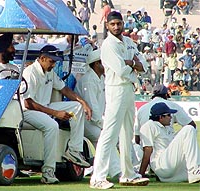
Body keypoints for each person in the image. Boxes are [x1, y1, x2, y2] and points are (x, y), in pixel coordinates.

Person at [89, 11, 149, 189]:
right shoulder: (108, 45)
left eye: (119, 23)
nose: (116, 27)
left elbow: (144, 66)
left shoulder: (129, 42)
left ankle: (128, 174)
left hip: (129, 90)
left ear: (123, 24)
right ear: (107, 25)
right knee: (109, 133)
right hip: (116, 90)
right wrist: (132, 64)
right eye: (112, 24)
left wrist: (131, 63)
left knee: (127, 134)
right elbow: (121, 70)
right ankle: (97, 177)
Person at [20, 45, 92, 184]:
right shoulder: (30, 73)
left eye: (55, 62)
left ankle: (74, 151)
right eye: (51, 61)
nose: (53, 64)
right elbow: (28, 103)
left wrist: (83, 103)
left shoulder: (49, 72)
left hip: (44, 107)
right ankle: (48, 172)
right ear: (42, 58)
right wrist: (55, 113)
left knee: (76, 107)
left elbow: (64, 89)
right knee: (52, 126)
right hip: (28, 112)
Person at [139, 102, 200, 183]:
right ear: (161, 117)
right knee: (189, 129)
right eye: (169, 115)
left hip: (171, 169)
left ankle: (194, 170)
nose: (171, 118)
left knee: (190, 131)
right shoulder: (149, 126)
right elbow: (147, 150)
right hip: (162, 165)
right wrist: (141, 174)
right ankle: (194, 171)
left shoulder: (168, 127)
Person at [74, 49, 104, 147]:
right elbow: (92, 106)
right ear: (96, 63)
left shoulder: (102, 78)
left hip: (96, 120)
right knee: (103, 138)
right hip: (86, 120)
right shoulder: (89, 80)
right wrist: (102, 124)